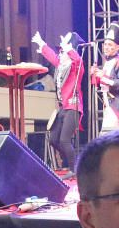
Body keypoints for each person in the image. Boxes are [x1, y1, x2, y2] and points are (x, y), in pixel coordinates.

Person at [33, 30, 85, 175]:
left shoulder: (76, 66)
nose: (61, 52)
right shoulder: (62, 65)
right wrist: (42, 44)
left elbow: (78, 61)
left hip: (74, 106)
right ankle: (71, 162)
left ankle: (74, 169)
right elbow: (53, 58)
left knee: (64, 140)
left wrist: (69, 50)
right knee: (54, 139)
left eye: (65, 48)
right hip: (64, 107)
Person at [90, 23, 119, 128]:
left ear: (117, 47)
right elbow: (102, 84)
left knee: (108, 138)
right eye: (105, 44)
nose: (106, 47)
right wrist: (95, 75)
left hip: (118, 107)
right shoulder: (107, 62)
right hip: (108, 105)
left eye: (110, 45)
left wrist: (104, 78)